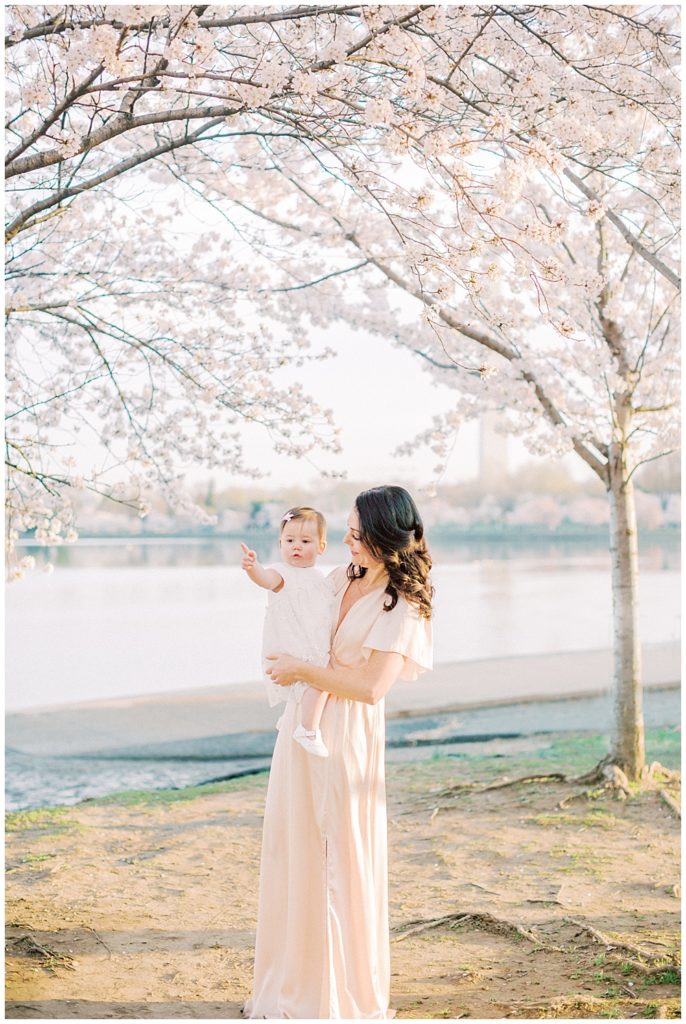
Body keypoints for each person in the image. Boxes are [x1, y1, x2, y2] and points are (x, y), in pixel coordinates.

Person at [243, 485, 433, 1020]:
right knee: (295, 849)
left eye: (358, 536)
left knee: (338, 857)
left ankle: (336, 995)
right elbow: (298, 608)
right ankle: (294, 984)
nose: (348, 544)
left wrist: (302, 670)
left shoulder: (402, 602)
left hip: (347, 733)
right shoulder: (342, 577)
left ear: (387, 538)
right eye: (347, 533)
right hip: (299, 727)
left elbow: (373, 687)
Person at [241, 506, 334, 757]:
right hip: (293, 641)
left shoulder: (319, 577)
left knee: (315, 680)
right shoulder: (282, 573)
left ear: (321, 547)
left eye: (305, 541)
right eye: (289, 540)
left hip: (311, 639)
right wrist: (253, 568)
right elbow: (266, 579)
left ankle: (294, 718)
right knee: (318, 678)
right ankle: (307, 728)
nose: (296, 547)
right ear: (280, 543)